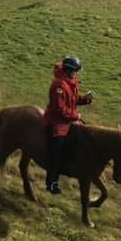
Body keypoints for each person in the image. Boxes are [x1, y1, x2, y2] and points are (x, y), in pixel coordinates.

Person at [42, 55, 93, 194]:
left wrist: (85, 99)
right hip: (57, 123)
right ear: (69, 70)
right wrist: (76, 115)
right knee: (56, 152)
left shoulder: (71, 81)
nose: (77, 73)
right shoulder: (58, 85)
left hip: (70, 120)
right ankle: (52, 183)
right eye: (75, 71)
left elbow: (74, 98)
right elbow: (59, 109)